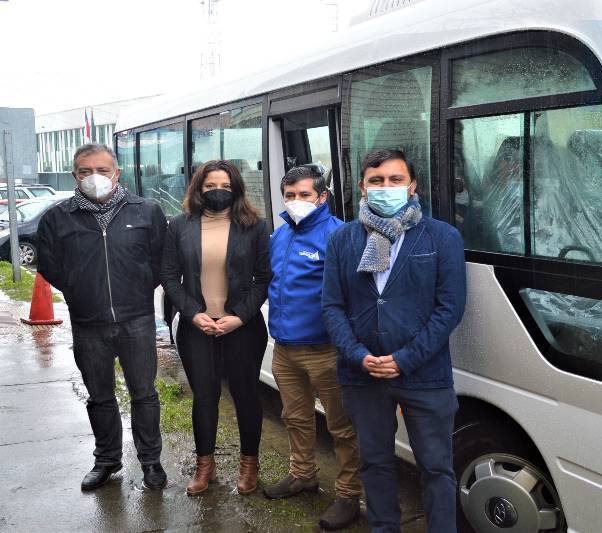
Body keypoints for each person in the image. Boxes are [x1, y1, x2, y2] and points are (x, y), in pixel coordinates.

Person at [322, 149, 467, 532]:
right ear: (362, 188)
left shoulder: (442, 237)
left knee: (437, 467)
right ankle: (385, 526)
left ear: (412, 185)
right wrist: (357, 355)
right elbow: (333, 307)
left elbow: (449, 309)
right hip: (363, 375)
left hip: (425, 374)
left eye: (395, 180)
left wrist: (405, 359)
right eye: (377, 181)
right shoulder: (343, 240)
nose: (386, 187)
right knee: (375, 462)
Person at [36, 143, 168, 491]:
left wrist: (137, 290)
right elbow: (50, 266)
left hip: (136, 321)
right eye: (85, 171)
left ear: (116, 173)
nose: (94, 177)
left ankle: (151, 462)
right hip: (88, 323)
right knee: (100, 396)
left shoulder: (146, 211)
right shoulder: (57, 218)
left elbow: (157, 261)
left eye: (102, 170)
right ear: (74, 175)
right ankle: (107, 460)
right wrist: (80, 291)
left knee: (144, 395)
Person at [160, 160, 270, 496]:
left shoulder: (254, 225)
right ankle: (204, 464)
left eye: (223, 185)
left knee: (247, 396)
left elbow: (263, 278)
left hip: (243, 327)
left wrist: (238, 316)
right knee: (204, 398)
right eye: (209, 186)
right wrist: (193, 313)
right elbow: (169, 276)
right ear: (198, 189)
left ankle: (249, 463)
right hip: (197, 329)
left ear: (236, 187)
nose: (217, 191)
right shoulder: (180, 226)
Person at [264, 164, 362, 529]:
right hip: (285, 349)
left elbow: (355, 295)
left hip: (327, 351)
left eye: (304, 195)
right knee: (295, 418)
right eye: (289, 195)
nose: (295, 201)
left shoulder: (340, 235)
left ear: (322, 197)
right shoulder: (280, 235)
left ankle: (349, 495)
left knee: (342, 427)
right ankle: (302, 474)